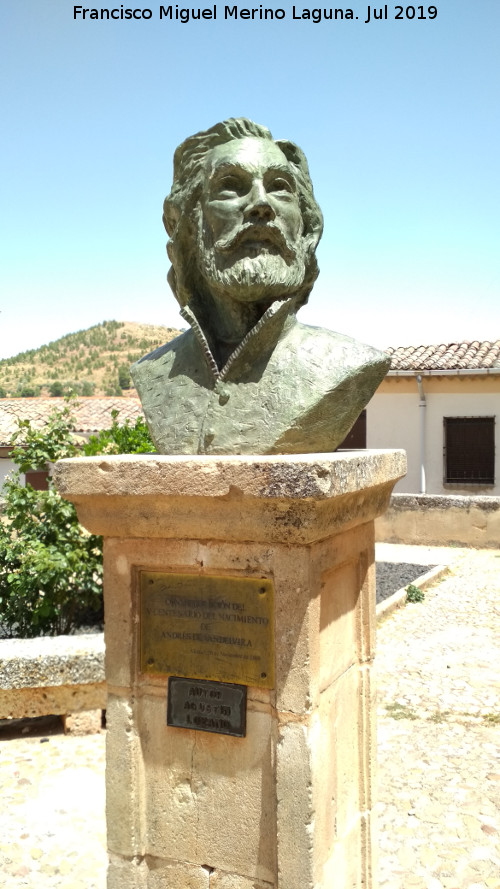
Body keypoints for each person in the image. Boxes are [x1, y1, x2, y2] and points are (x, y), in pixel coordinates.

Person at [131, 118, 390, 455]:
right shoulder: (153, 373)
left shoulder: (347, 363)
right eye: (230, 185)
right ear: (186, 225)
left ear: (305, 227)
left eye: (279, 186)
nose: (260, 203)